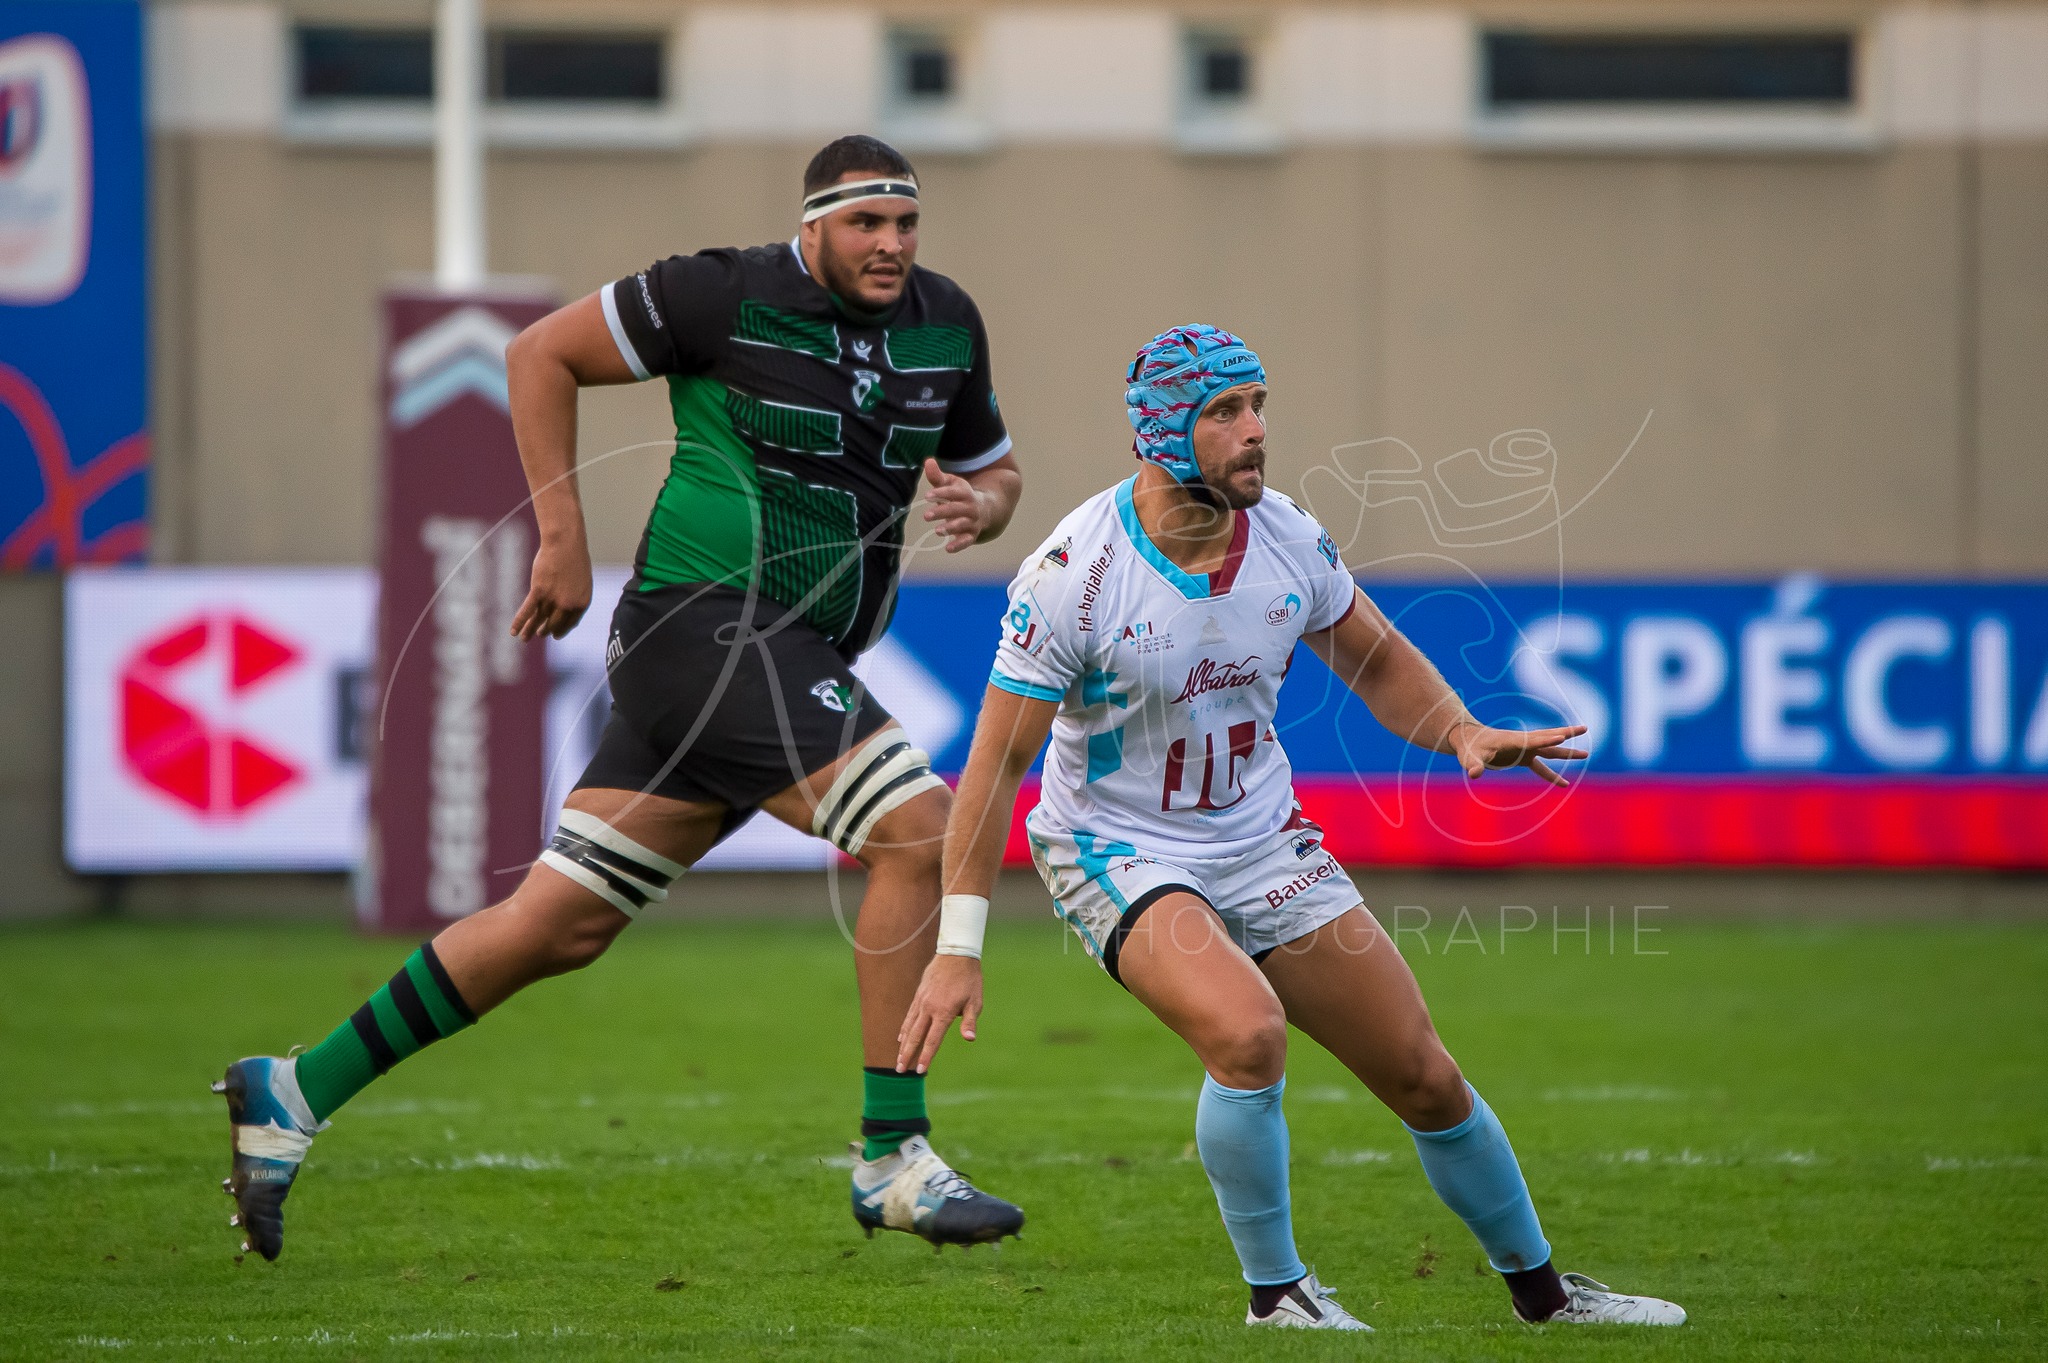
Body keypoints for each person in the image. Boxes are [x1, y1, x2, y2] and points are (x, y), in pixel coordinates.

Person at [213, 135, 1026, 1260]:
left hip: (771, 656)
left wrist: (982, 509)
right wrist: (559, 540)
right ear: (812, 225)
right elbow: (537, 352)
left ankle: (292, 1091)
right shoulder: (720, 291)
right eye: (863, 224)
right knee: (917, 832)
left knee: (562, 924)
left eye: (904, 223)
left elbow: (997, 469)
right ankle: (892, 1155)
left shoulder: (946, 320)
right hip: (709, 627)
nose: (889, 245)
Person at [895, 325, 1686, 1329]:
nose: (1255, 430)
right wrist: (956, 948)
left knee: (1423, 1075)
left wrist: (1459, 731)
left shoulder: (1285, 538)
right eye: (1224, 412)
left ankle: (1543, 1297)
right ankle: (1278, 1297)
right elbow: (995, 766)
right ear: (1161, 433)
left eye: (1257, 404)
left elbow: (1375, 658)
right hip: (1114, 848)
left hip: (1262, 840)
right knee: (1246, 1031)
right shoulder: (1072, 575)